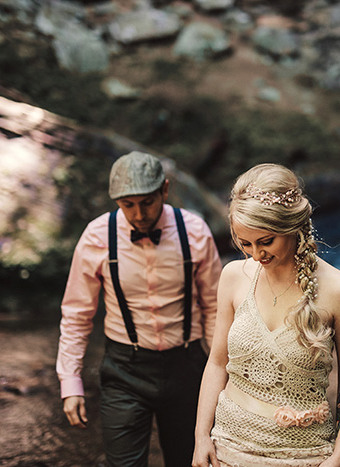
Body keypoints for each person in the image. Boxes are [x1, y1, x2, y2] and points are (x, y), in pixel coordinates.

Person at [192, 163, 340, 467]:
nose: (256, 255)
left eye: (266, 241)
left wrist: (338, 456)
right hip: (227, 449)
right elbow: (217, 362)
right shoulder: (234, 275)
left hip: (306, 454)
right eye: (245, 243)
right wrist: (201, 437)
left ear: (293, 227)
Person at [56, 151, 222, 467]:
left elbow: (213, 307)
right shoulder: (97, 236)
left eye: (146, 202)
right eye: (127, 205)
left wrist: (222, 373)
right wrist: (70, 381)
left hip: (187, 367)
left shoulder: (195, 231)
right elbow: (77, 314)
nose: (139, 214)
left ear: (164, 190)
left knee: (191, 462)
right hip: (124, 371)